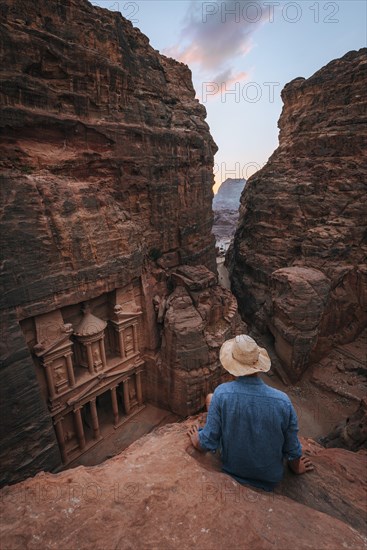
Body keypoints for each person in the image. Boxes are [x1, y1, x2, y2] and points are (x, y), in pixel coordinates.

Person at [187, 334, 313, 491]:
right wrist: (297, 467)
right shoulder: (283, 402)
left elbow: (205, 443)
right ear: (258, 364)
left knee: (211, 398)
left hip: (233, 470)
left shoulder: (222, 394)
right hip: (270, 478)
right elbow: (292, 448)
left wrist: (196, 438)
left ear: (232, 366)